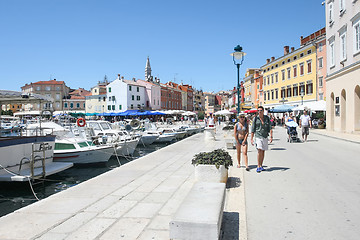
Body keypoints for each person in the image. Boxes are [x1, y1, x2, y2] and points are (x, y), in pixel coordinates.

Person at [251, 106, 273, 173]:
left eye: (260, 110)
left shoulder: (267, 118)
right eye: (258, 110)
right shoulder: (255, 119)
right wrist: (251, 139)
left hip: (265, 136)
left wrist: (271, 137)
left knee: (263, 151)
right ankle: (258, 166)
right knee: (259, 150)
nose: (259, 111)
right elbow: (253, 129)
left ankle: (261, 165)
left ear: (263, 111)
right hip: (258, 136)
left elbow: (270, 128)